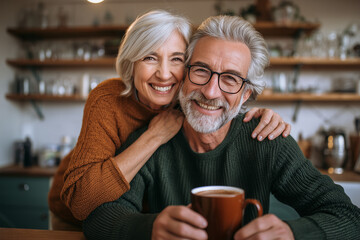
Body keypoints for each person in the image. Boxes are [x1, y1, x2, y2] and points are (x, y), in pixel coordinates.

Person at [83, 15, 360, 240]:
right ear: (184, 75)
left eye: (230, 79)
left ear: (246, 94)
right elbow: (99, 218)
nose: (211, 92)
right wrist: (149, 229)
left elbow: (348, 216)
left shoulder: (267, 140)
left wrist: (292, 232)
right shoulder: (151, 139)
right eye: (201, 70)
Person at [48, 10, 291, 229]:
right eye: (149, 58)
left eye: (176, 59)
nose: (164, 74)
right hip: (76, 217)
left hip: (142, 220)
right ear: (131, 63)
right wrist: (154, 136)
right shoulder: (108, 99)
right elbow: (81, 202)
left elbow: (220, 98)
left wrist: (256, 113)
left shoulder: (187, 100)